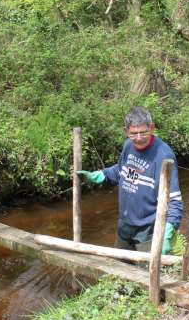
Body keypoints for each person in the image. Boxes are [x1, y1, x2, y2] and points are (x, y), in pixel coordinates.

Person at [77, 106, 182, 254]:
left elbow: (174, 200)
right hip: (125, 225)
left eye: (143, 132)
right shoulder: (128, 146)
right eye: (133, 133)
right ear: (126, 131)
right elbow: (121, 170)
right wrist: (102, 174)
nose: (138, 138)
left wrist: (169, 229)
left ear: (151, 128)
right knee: (120, 269)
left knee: (145, 274)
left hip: (149, 230)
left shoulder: (164, 156)